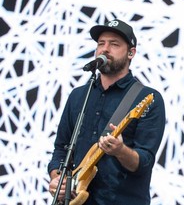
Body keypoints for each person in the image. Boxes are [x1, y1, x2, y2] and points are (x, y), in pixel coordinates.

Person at [48, 19, 166, 204]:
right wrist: (57, 179)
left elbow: (144, 162)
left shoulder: (147, 97)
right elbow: (61, 149)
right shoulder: (79, 95)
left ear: (131, 53)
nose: (105, 49)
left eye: (114, 44)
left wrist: (121, 151)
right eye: (101, 43)